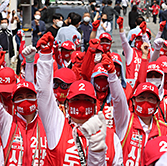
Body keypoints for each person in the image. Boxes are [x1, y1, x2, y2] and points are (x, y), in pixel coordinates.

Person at [35, 33, 123, 165]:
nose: (81, 105)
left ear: (94, 105)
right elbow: (43, 93)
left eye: (86, 100)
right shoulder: (57, 125)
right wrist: (46, 57)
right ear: (68, 104)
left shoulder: (111, 138)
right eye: (76, 99)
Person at [101, 52, 167, 165]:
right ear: (133, 101)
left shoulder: (163, 130)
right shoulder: (125, 121)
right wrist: (112, 75)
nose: (146, 101)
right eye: (141, 97)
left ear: (157, 104)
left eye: (151, 98)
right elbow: (119, 100)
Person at [0, 80, 48, 165]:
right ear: (13, 102)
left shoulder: (47, 124)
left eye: (29, 96)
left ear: (36, 98)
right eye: (20, 97)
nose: (25, 100)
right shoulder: (7, 122)